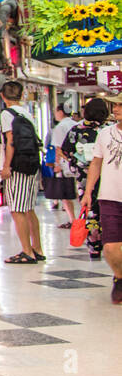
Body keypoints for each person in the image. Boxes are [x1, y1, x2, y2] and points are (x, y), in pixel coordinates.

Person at [0, 80, 45, 264]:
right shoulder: (26, 112)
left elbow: (11, 142)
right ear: (21, 95)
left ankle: (27, 251)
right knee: (29, 209)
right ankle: (37, 248)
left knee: (17, 210)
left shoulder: (6, 113)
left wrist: (6, 166)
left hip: (17, 167)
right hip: (31, 164)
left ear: (3, 96)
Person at [81, 93, 122, 303]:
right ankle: (120, 277)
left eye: (120, 105)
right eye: (114, 105)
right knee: (110, 247)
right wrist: (88, 192)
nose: (115, 109)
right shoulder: (105, 134)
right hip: (110, 197)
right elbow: (96, 163)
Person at [62, 98, 110, 259]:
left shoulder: (76, 131)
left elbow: (66, 151)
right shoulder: (109, 130)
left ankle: (94, 245)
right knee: (110, 210)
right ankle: (111, 242)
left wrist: (77, 162)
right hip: (108, 176)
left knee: (90, 211)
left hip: (84, 178)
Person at [49, 104, 80, 228]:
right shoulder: (75, 124)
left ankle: (73, 220)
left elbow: (57, 148)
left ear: (60, 112)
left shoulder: (60, 127)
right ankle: (84, 219)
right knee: (79, 191)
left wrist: (56, 164)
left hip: (65, 164)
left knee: (65, 194)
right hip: (77, 162)